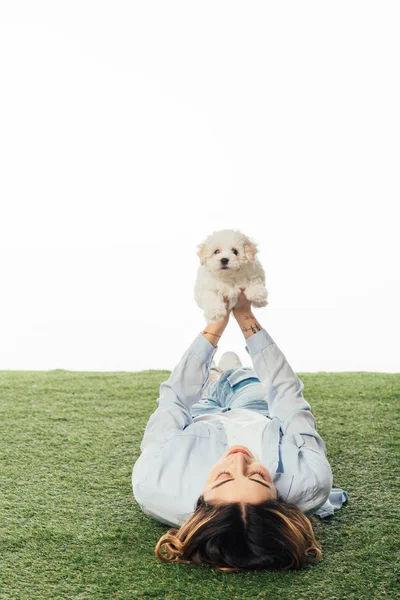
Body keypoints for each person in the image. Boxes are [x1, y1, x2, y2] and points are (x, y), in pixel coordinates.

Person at [132, 290, 348, 572]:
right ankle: (230, 373)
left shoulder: (155, 484)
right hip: (257, 412)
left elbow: (175, 400)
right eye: (258, 475)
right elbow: (288, 400)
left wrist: (215, 325)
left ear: (200, 501)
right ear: (279, 499)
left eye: (223, 476)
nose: (238, 458)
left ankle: (214, 377)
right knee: (246, 379)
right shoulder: (310, 481)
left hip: (198, 418)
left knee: (206, 383)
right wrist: (245, 317)